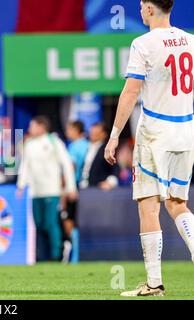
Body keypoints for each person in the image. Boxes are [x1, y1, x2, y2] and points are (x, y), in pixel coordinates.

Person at [104, 0, 194, 297]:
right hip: (185, 130)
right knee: (177, 203)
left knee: (149, 203)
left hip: (155, 133)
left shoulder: (143, 43)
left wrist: (115, 135)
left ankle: (154, 283)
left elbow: (131, 91)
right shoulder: (190, 41)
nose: (140, 10)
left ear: (151, 9)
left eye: (142, 5)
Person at [16, 116, 77, 261]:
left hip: (52, 190)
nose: (30, 129)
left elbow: (67, 163)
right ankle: (41, 256)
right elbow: (25, 165)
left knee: (51, 223)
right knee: (38, 223)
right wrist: (21, 185)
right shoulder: (29, 144)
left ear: (41, 127)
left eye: (33, 126)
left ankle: (57, 255)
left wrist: (70, 187)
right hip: (36, 191)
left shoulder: (54, 141)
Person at [61, 120, 89, 263]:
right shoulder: (88, 145)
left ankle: (75, 255)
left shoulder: (73, 147)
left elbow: (70, 169)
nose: (67, 132)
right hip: (87, 189)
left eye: (69, 129)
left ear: (76, 130)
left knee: (70, 220)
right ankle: (77, 254)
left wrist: (66, 189)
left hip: (74, 188)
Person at [80, 122, 119, 191]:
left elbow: (115, 168)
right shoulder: (86, 147)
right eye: (91, 132)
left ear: (104, 134)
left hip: (98, 190)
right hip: (83, 187)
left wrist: (110, 183)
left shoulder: (107, 149)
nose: (92, 134)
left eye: (96, 133)